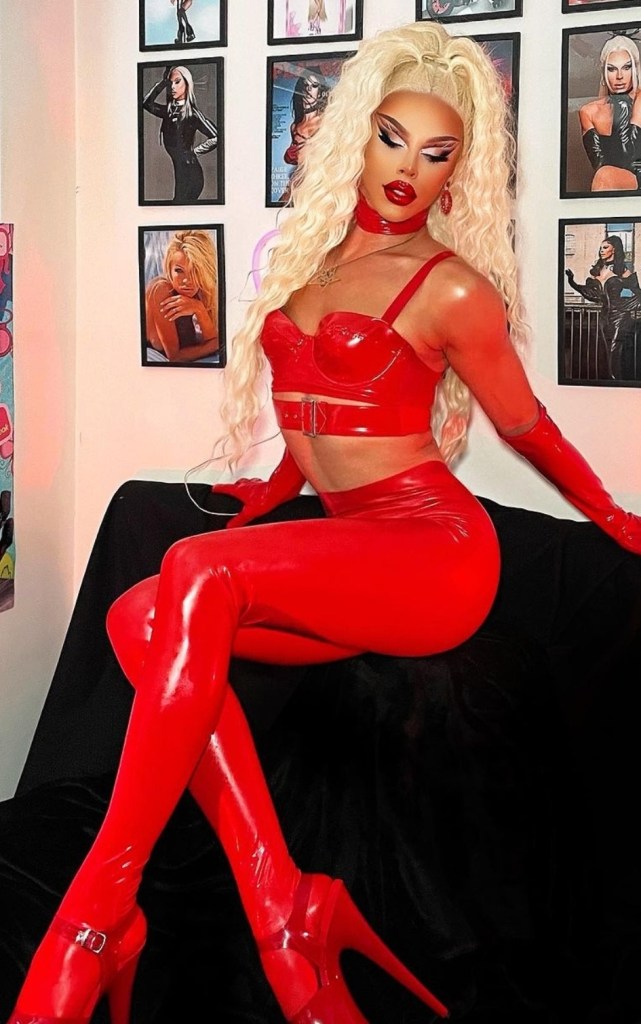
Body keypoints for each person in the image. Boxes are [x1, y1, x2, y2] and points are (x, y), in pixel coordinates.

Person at [9, 20, 641, 1024]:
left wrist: (613, 518)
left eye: (436, 154)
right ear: (358, 135)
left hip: (434, 553)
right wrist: (264, 497)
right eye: (392, 138)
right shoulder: (313, 270)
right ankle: (286, 906)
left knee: (196, 570)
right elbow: (310, 425)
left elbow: (526, 425)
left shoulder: (449, 287)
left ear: (456, 174)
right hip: (353, 548)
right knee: (138, 617)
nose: (407, 169)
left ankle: (92, 920)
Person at [566, 235, 641, 379]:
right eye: (601, 248)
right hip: (604, 317)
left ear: (614, 249)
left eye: (605, 247)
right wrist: (572, 282)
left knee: (614, 351)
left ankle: (617, 382)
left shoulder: (623, 270)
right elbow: (593, 296)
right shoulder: (598, 270)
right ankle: (612, 383)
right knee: (607, 353)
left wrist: (624, 305)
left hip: (621, 317)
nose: (601, 250)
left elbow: (638, 293)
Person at [142, 64, 217, 204]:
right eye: (170, 83)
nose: (172, 87)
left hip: (191, 174)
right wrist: (163, 83)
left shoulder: (192, 113)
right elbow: (146, 104)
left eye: (177, 82)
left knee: (180, 204)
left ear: (187, 84)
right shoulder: (169, 111)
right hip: (181, 171)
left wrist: (194, 152)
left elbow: (217, 136)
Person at [144, 229, 219, 364]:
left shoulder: (203, 291)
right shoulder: (160, 289)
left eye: (195, 270)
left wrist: (200, 309)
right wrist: (215, 343)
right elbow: (175, 356)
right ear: (169, 268)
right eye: (179, 270)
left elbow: (212, 342)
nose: (187, 281)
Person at [578, 34, 641, 193]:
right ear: (604, 73)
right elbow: (600, 166)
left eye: (627, 67)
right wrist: (622, 103)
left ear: (635, 70)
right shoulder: (589, 112)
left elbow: (631, 154)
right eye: (611, 69)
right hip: (614, 182)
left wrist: (636, 102)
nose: (619, 76)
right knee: (604, 175)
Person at [279, 68, 330, 202]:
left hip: (317, 185)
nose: (308, 89)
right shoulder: (294, 126)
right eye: (305, 85)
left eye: (314, 86)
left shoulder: (325, 123)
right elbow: (292, 158)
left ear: (321, 91)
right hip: (297, 182)